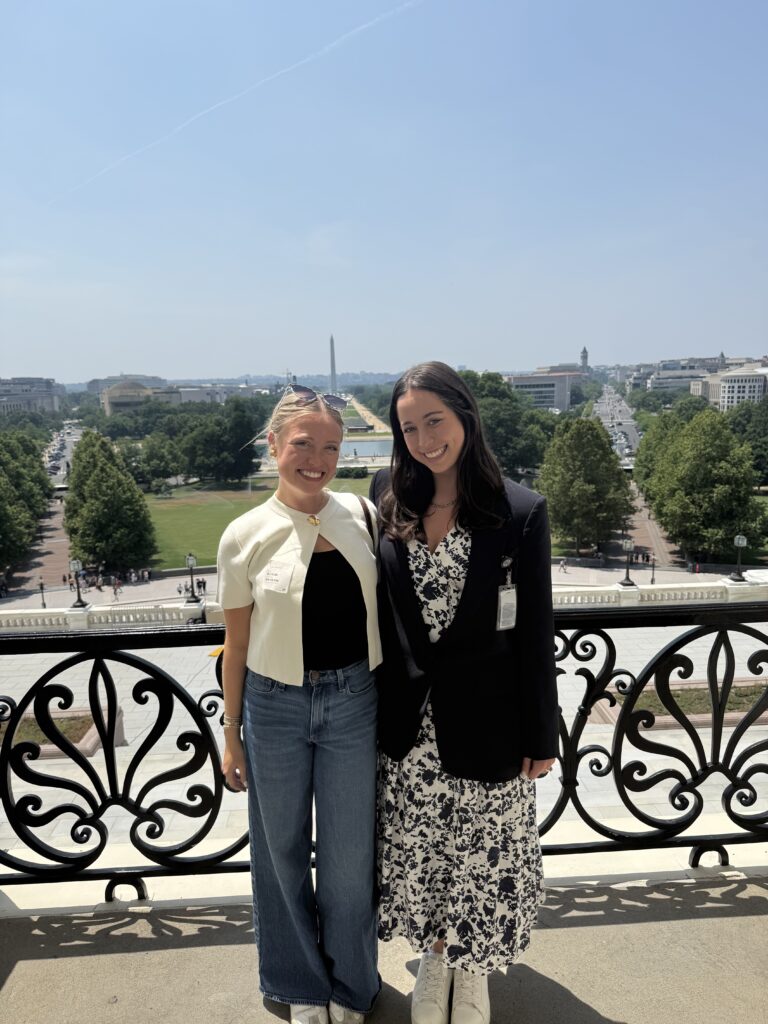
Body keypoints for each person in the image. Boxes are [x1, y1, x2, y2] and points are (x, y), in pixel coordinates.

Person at [371, 362, 558, 1024]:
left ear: (465, 417)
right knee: (425, 853)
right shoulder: (386, 495)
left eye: (435, 422)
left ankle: (471, 973)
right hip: (410, 729)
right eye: (410, 427)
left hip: (490, 724)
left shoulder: (520, 512)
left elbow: (536, 632)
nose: (424, 440)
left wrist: (543, 735)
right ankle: (433, 962)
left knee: (482, 857)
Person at [217, 385, 382, 1024]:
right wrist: (231, 734)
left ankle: (350, 985)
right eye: (303, 445)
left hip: (354, 702)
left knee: (348, 859)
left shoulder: (363, 516)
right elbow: (235, 643)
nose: (317, 459)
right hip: (274, 705)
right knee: (278, 854)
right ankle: (300, 985)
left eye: (331, 447)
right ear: (275, 446)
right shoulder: (243, 534)